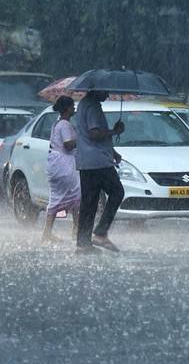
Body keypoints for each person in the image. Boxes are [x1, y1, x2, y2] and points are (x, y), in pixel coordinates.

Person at [75, 90, 125, 254]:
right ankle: (101, 232)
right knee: (117, 191)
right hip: (98, 161)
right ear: (96, 89)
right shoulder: (93, 106)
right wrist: (114, 131)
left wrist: (113, 152)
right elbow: (94, 133)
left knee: (89, 202)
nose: (108, 94)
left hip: (86, 161)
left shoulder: (83, 104)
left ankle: (83, 243)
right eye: (105, 90)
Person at [42, 95, 80, 242]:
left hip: (56, 165)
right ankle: (76, 230)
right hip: (64, 166)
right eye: (72, 106)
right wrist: (81, 139)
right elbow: (68, 145)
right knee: (77, 196)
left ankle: (47, 232)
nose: (74, 108)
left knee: (57, 198)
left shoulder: (57, 124)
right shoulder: (65, 125)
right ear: (67, 108)